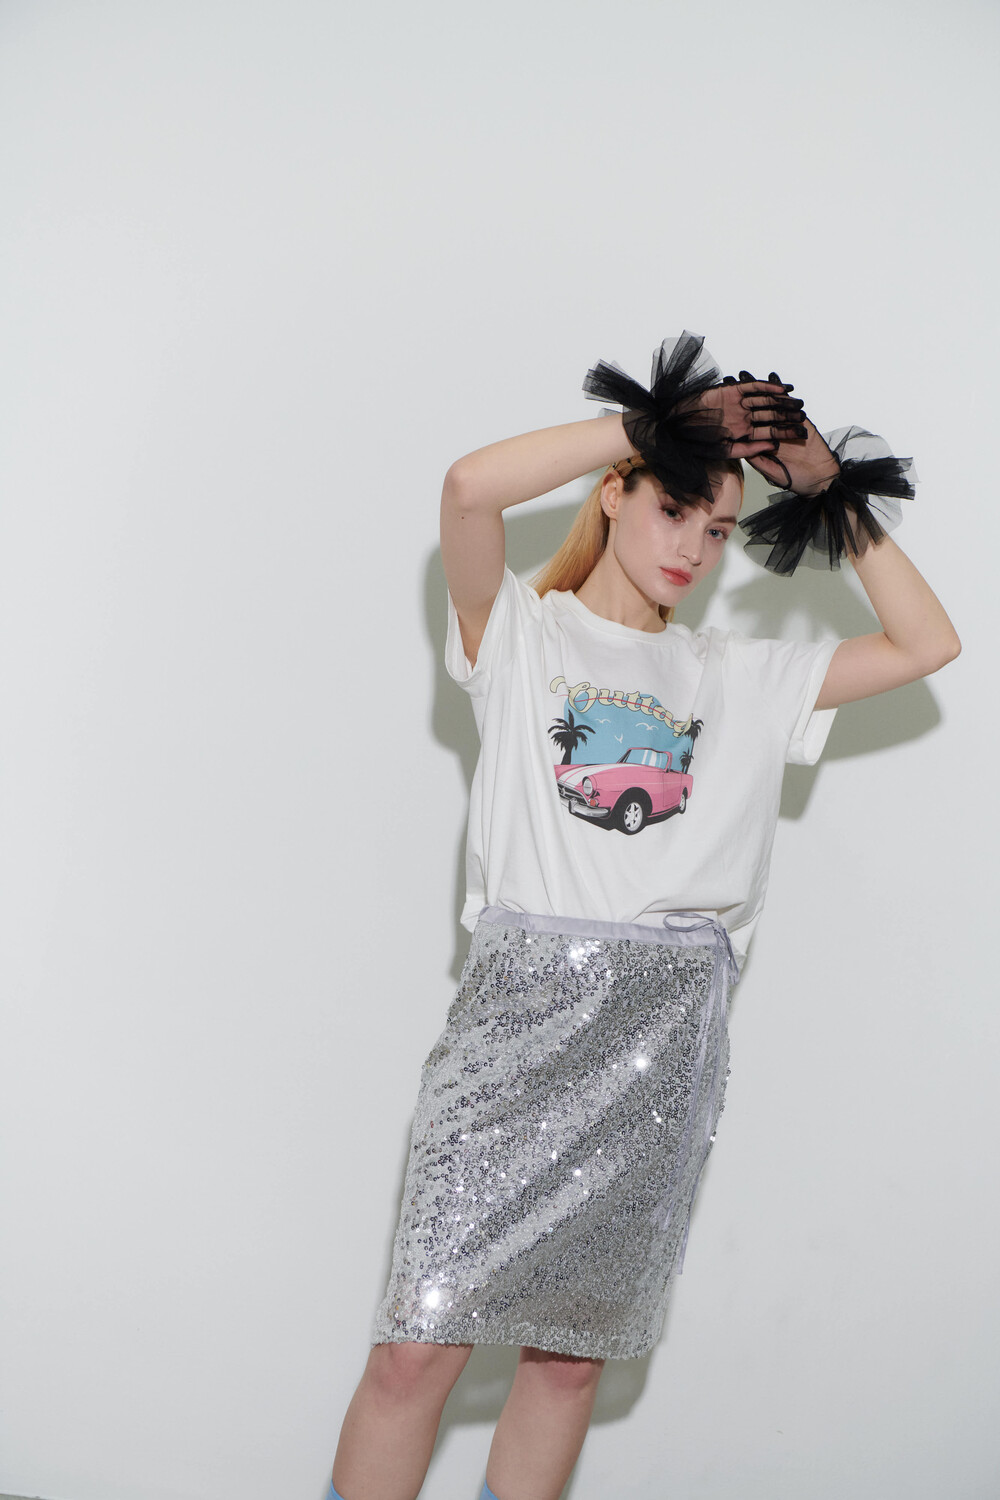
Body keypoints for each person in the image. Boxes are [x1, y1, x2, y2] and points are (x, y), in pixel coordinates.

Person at [323, 334, 960, 1500]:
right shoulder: (520, 634)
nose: (692, 550)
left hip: (659, 1039)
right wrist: (655, 424)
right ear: (615, 493)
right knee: (415, 1350)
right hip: (514, 1023)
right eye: (672, 510)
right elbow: (467, 488)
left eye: (716, 531)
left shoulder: (741, 675)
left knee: (570, 1363)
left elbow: (931, 644)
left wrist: (830, 492)